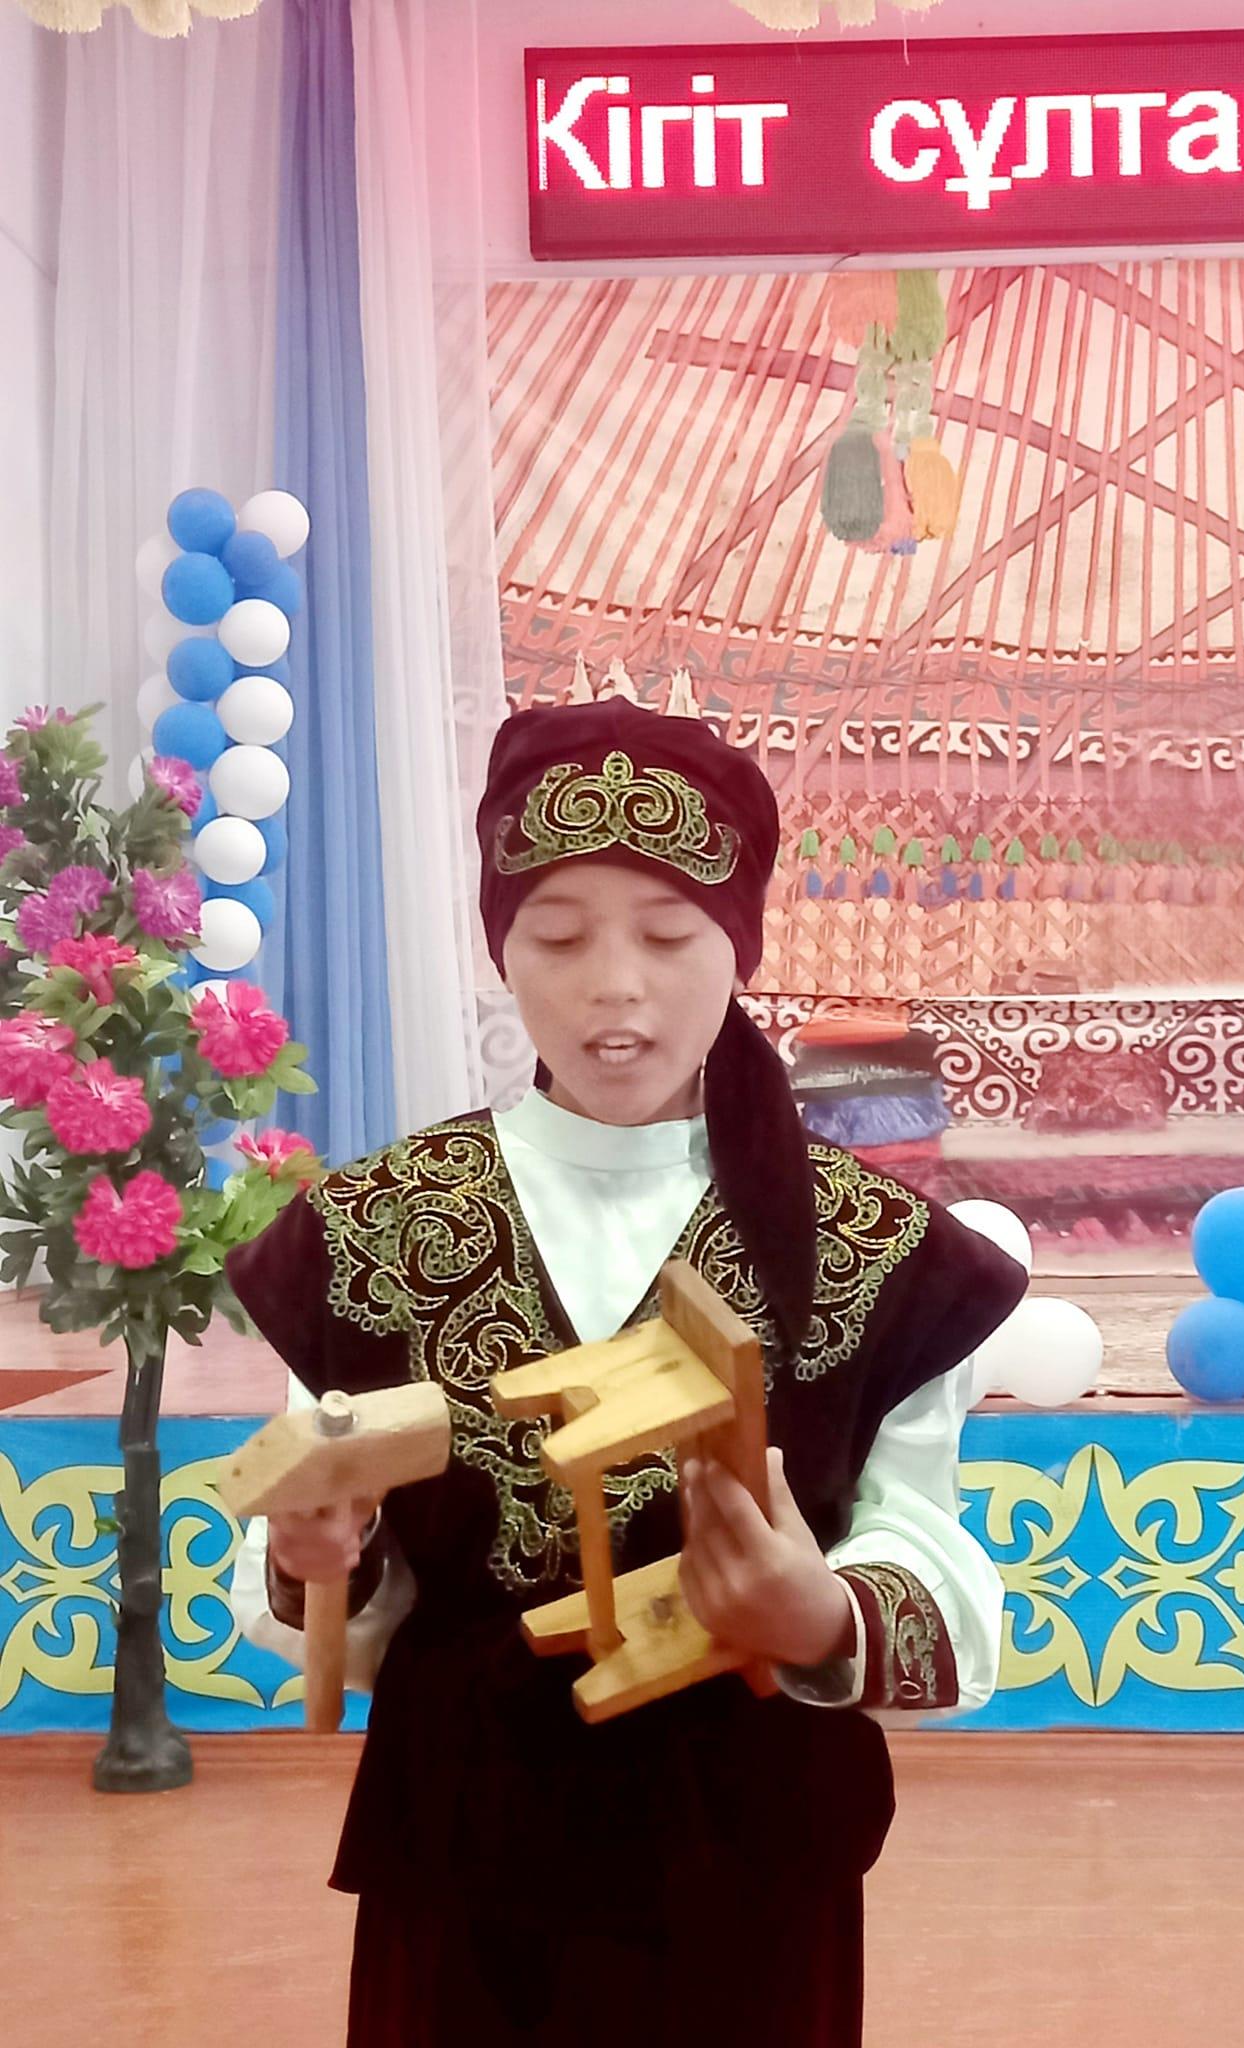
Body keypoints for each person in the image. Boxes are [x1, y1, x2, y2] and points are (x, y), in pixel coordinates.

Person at [227, 695, 1026, 2047]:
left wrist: (819, 1613)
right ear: (501, 948)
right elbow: (331, 1549)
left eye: (666, 935)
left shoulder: (875, 1250)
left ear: (738, 948)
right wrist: (319, 1556)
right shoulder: (370, 1231)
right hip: (465, 1849)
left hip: (749, 1853)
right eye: (558, 935)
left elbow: (919, 1536)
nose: (614, 984)